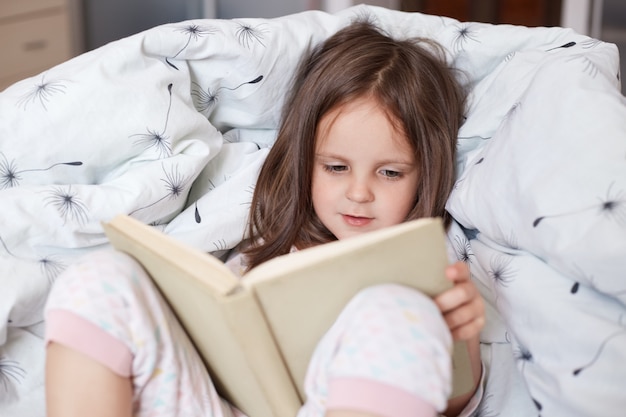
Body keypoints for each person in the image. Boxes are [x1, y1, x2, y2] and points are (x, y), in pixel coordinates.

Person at [45, 21, 484, 417]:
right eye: (335, 167)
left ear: (426, 173)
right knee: (102, 279)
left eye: (389, 173)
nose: (358, 193)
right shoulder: (268, 244)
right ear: (304, 162)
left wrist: (461, 342)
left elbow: (452, 405)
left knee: (399, 310)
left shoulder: (432, 269)